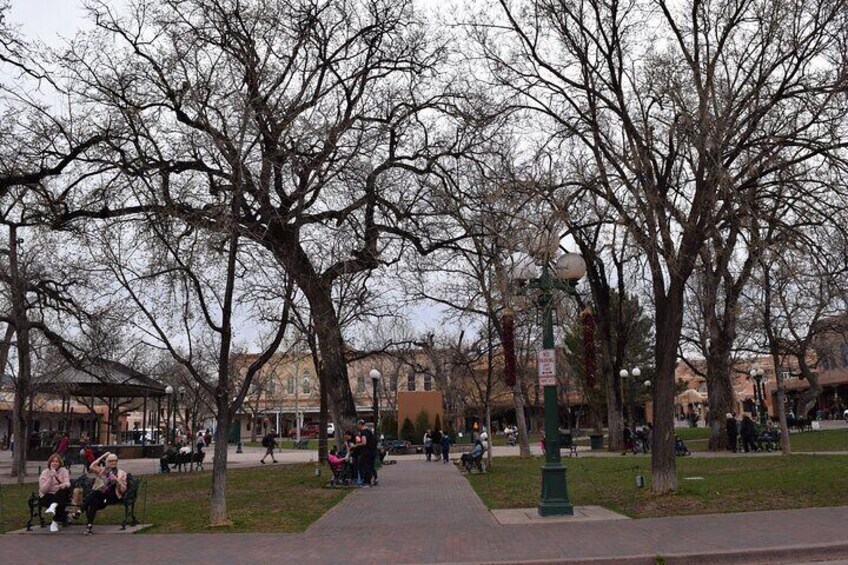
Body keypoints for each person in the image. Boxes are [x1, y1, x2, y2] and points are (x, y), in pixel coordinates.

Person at [84, 452, 128, 535]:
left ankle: (80, 510)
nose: (113, 462)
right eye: (111, 461)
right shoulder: (103, 470)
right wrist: (103, 456)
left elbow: (123, 490)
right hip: (101, 496)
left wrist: (117, 481)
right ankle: (89, 526)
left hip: (113, 496)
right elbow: (92, 466)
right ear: (107, 462)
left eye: (115, 460)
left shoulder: (121, 473)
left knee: (94, 495)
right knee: (94, 502)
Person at [39, 453, 72, 532]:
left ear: (60, 463)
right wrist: (50, 477)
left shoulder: (63, 471)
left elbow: (67, 483)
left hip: (60, 494)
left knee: (63, 492)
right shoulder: (45, 473)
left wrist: (62, 484)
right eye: (53, 461)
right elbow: (43, 490)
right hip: (47, 495)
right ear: (50, 463)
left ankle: (54, 519)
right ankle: (55, 517)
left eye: (57, 461)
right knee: (60, 502)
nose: (54, 463)